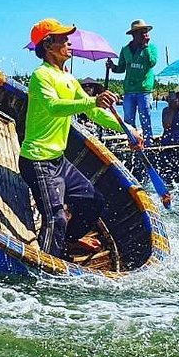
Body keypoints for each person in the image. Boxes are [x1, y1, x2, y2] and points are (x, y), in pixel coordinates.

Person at [20, 18, 129, 260]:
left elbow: (93, 112)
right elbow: (53, 107)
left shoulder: (68, 78)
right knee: (56, 218)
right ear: (48, 45)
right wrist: (92, 100)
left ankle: (67, 242)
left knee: (94, 202)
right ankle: (46, 269)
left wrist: (128, 129)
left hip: (58, 160)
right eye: (62, 39)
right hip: (38, 160)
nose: (69, 42)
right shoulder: (41, 76)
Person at [109, 19, 158, 143]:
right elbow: (120, 68)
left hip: (144, 91)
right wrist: (112, 67)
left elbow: (152, 63)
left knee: (145, 119)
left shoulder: (152, 48)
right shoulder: (125, 49)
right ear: (134, 34)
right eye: (142, 32)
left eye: (146, 32)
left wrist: (145, 47)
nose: (145, 35)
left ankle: (148, 144)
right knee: (128, 121)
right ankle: (132, 142)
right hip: (129, 91)